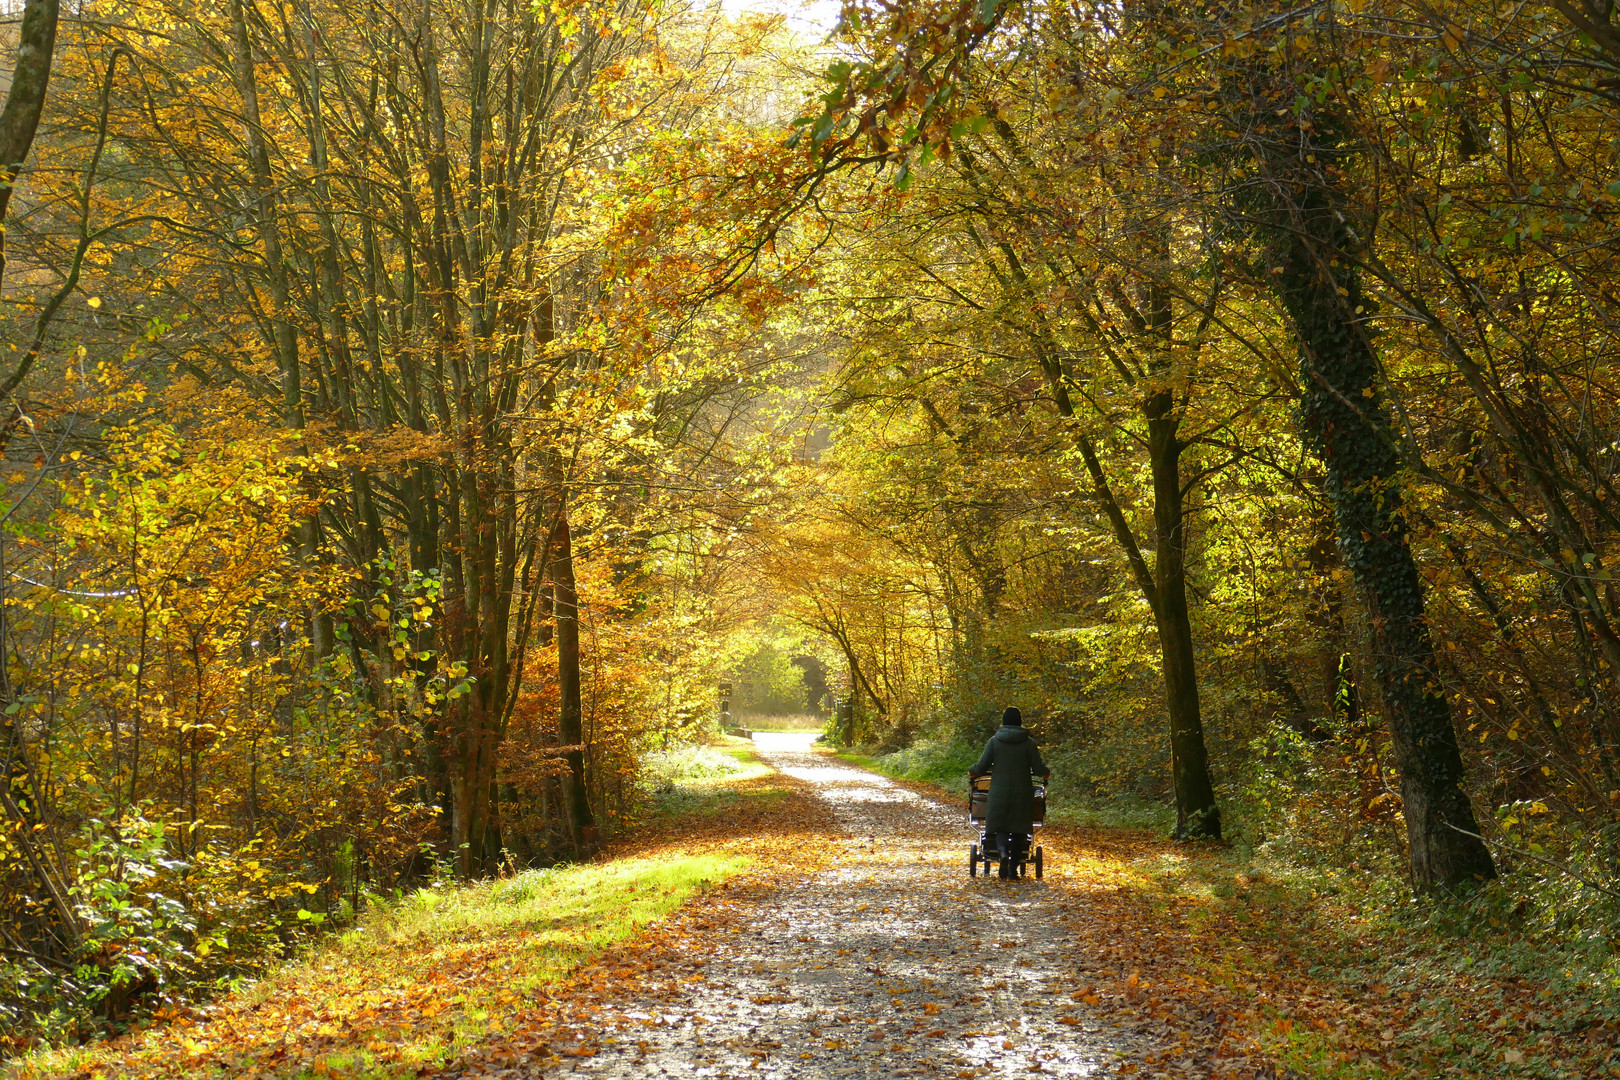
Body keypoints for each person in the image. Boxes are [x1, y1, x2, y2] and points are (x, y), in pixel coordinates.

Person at [968, 706, 1049, 879]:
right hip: (1022, 793)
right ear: (1020, 723)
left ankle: (1003, 854)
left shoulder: (995, 741)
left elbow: (981, 766)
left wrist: (971, 771)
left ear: (1003, 722)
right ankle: (1013, 869)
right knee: (1019, 830)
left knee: (1001, 827)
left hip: (999, 793)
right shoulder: (1028, 744)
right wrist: (1046, 773)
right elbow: (1038, 768)